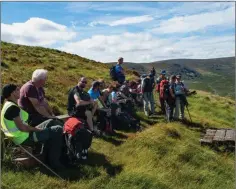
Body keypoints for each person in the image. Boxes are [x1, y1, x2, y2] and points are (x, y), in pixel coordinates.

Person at [1, 84, 64, 170]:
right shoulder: (12, 108)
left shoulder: (8, 104)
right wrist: (36, 129)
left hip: (23, 134)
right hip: (24, 138)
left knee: (52, 122)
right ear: (12, 93)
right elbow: (22, 128)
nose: (19, 91)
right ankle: (55, 163)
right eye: (17, 90)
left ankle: (64, 147)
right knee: (58, 129)